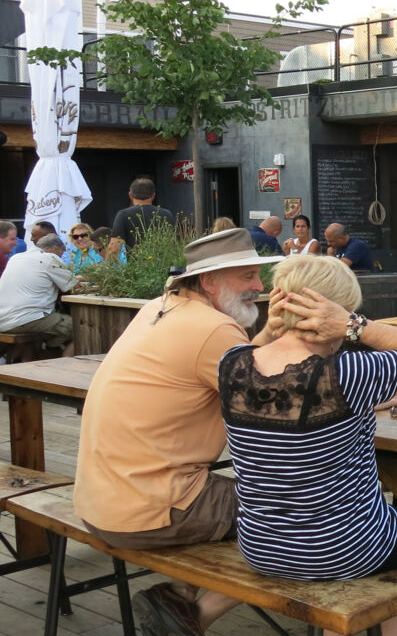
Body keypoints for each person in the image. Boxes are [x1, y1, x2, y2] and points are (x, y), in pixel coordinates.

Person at [73, 228, 292, 635]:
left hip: (99, 501)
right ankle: (190, 614)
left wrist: (270, 334)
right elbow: (280, 410)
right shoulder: (213, 329)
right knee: (300, 514)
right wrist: (360, 389)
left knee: (249, 493)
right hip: (149, 512)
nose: (259, 287)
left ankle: (180, 595)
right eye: (247, 276)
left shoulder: (160, 307)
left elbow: (242, 367)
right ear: (210, 281)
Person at [219, 254, 397, 635]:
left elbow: (258, 360)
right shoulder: (347, 373)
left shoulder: (231, 364)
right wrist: (355, 325)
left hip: (259, 545)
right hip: (338, 549)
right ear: (333, 315)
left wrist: (273, 329)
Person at [0, 233, 76, 357]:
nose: (61, 258)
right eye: (61, 254)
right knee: (78, 328)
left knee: (39, 325)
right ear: (55, 249)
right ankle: (61, 366)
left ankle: (43, 351)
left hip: (2, 319)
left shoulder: (16, 258)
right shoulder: (50, 258)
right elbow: (73, 287)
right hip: (24, 320)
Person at [111, 177, 174, 249]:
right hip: (163, 260)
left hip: (137, 260)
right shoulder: (166, 214)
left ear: (130, 195)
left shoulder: (123, 215)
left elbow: (114, 248)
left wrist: (109, 260)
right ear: (153, 196)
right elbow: (172, 243)